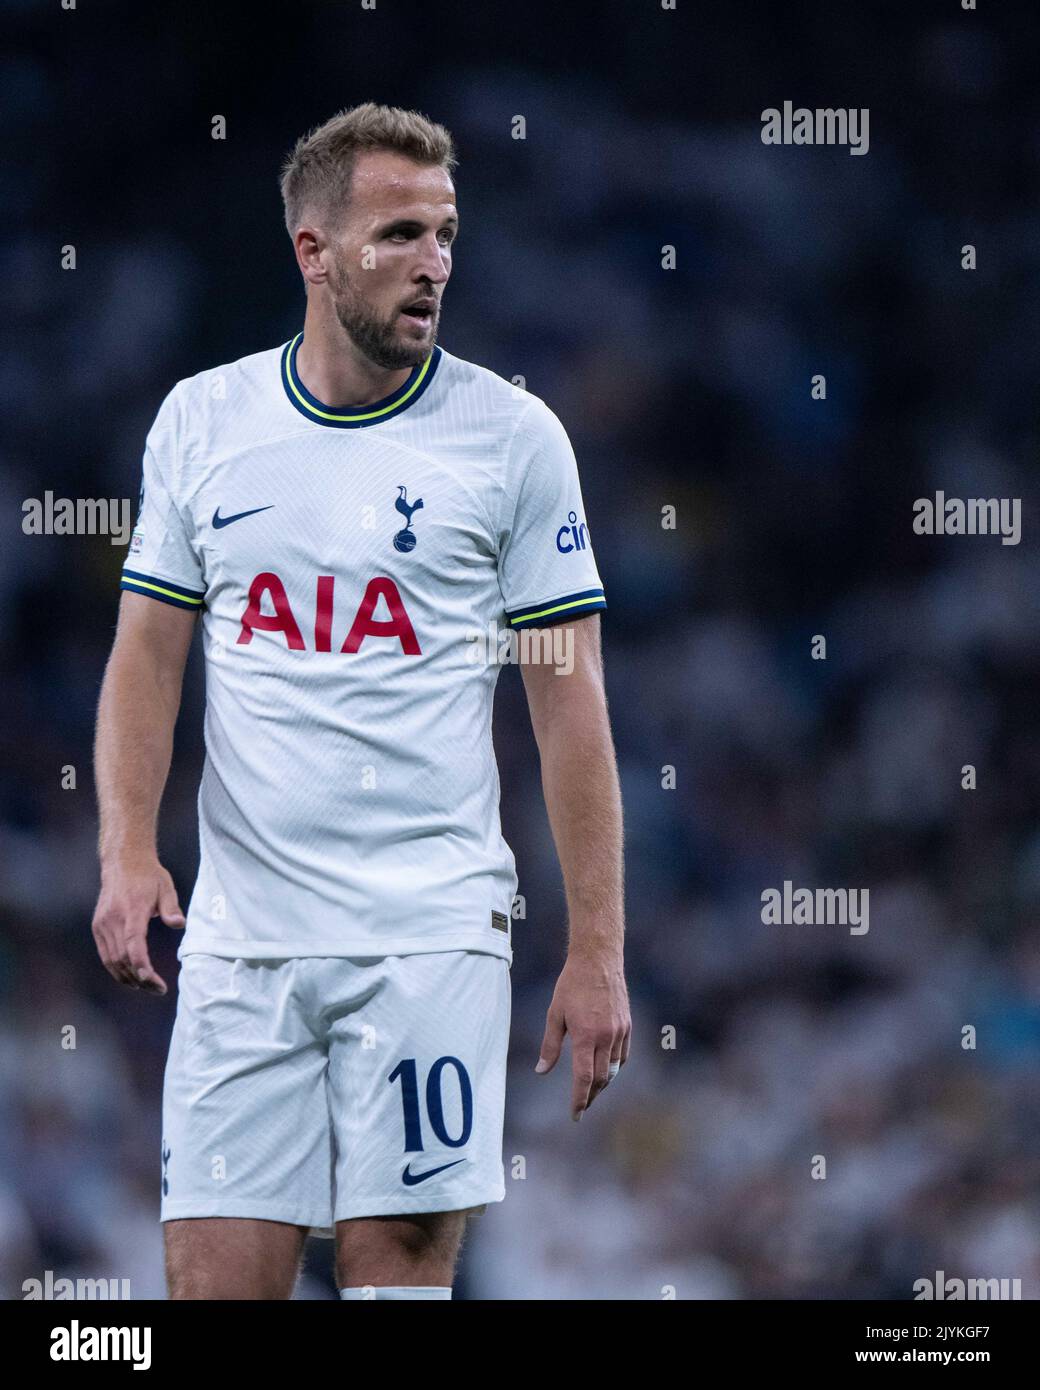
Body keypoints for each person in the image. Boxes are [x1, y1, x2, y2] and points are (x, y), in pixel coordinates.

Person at [91, 102, 629, 1301]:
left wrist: (595, 949)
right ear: (312, 251)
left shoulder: (511, 439)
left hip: (428, 936)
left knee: (393, 1283)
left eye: (445, 235)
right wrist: (127, 849)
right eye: (398, 234)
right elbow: (147, 654)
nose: (433, 263)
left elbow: (568, 702)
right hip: (243, 945)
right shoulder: (204, 423)